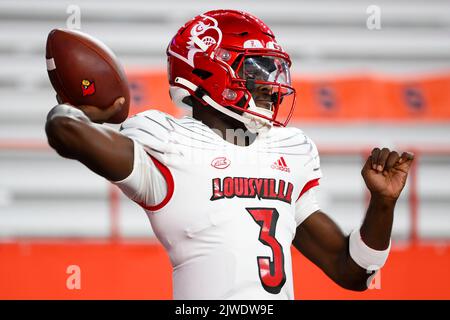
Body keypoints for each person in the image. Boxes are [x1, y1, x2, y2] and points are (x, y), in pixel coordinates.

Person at [45, 9, 414, 299]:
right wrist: (98, 113)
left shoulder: (288, 148)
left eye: (274, 68)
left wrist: (383, 204)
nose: (273, 83)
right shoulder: (167, 142)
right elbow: (65, 130)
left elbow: (353, 271)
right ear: (208, 71)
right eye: (256, 69)